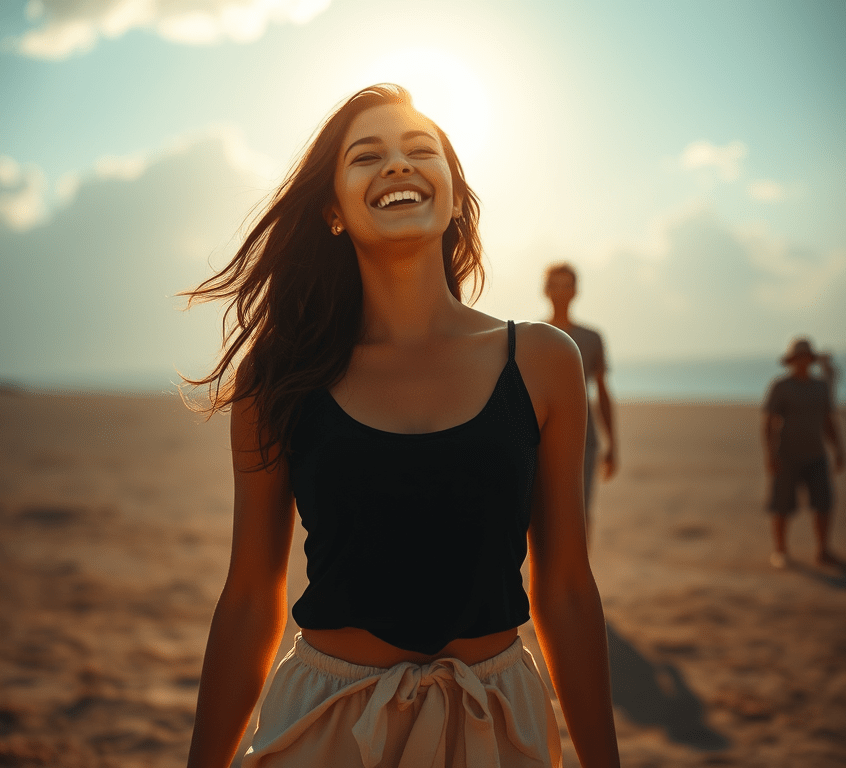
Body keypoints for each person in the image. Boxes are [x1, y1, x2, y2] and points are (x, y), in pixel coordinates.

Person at [180, 85, 620, 768]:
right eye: (366, 156)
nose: (397, 165)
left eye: (421, 151)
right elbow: (247, 596)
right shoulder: (280, 379)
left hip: (497, 724)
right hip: (327, 726)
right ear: (331, 210)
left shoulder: (541, 361)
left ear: (451, 192)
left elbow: (564, 587)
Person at [543, 263, 617, 543]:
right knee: (544, 511)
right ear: (545, 290)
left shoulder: (591, 337)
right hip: (542, 434)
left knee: (582, 508)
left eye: (567, 285)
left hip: (585, 435)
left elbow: (602, 391)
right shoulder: (533, 335)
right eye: (555, 285)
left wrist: (613, 444)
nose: (561, 292)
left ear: (576, 291)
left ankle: (579, 575)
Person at [763, 338, 846, 571]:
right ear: (791, 361)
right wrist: (770, 454)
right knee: (781, 505)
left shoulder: (821, 387)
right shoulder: (781, 386)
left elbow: (828, 420)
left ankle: (823, 550)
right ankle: (780, 551)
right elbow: (769, 422)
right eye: (797, 357)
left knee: (824, 504)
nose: (802, 361)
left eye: (806, 357)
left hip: (816, 455)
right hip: (787, 455)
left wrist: (838, 450)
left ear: (811, 360)